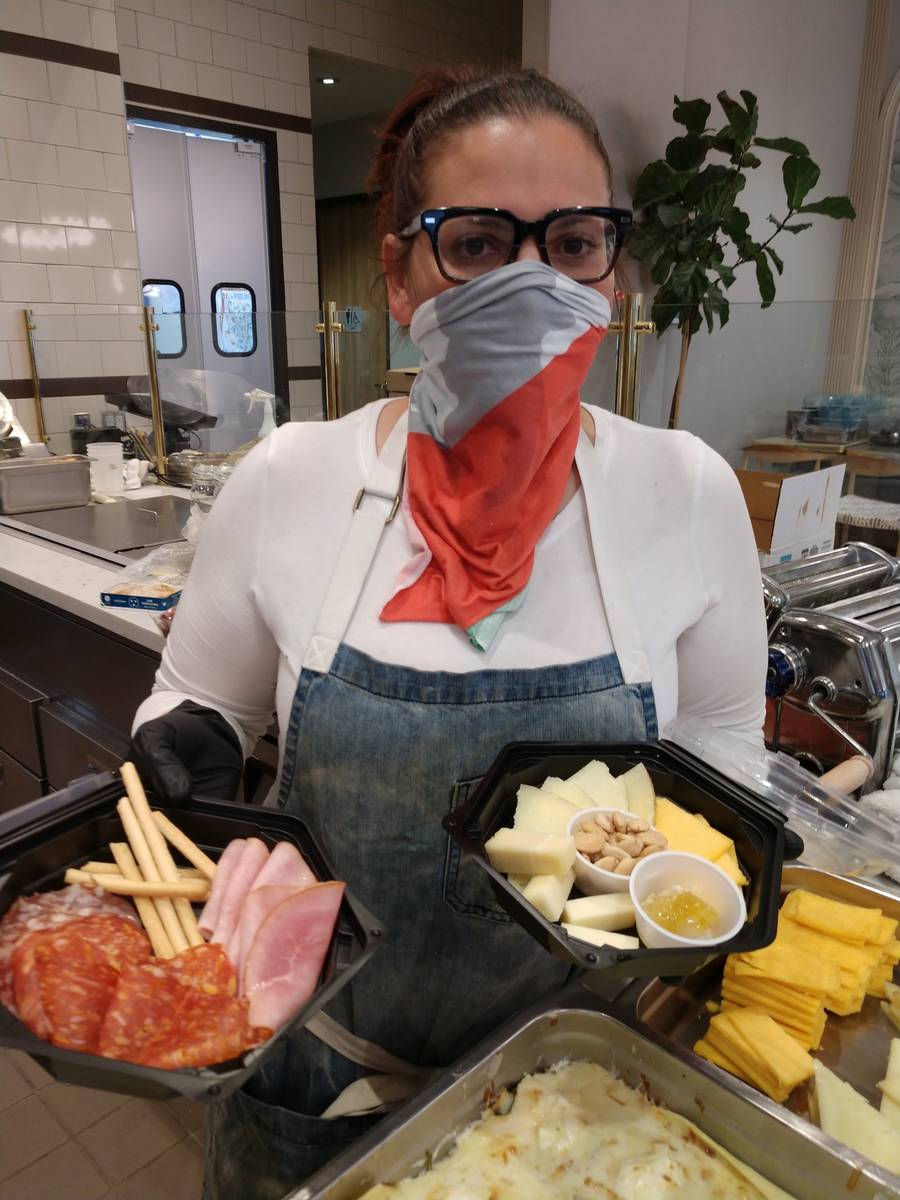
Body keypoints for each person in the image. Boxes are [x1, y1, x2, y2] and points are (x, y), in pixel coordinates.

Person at [130, 64, 768, 1199]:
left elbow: (724, 747)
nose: (533, 283)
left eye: (574, 243)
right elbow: (202, 701)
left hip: (587, 1104)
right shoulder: (290, 481)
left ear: (611, 270)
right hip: (319, 1086)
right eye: (477, 243)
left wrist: (691, 902)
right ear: (399, 275)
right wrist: (188, 735)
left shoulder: (686, 491)